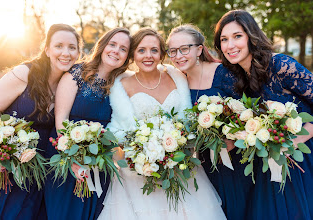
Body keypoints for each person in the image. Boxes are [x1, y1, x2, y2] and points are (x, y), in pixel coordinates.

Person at [98, 27, 226, 220]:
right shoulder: (121, 86)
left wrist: (178, 149)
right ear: (133, 54)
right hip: (139, 175)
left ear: (161, 54)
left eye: (154, 50)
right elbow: (116, 133)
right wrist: (141, 154)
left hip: (182, 169)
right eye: (141, 50)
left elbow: (189, 121)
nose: (148, 56)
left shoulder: (178, 77)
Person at [214, 9, 313, 219]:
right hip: (271, 162)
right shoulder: (238, 75)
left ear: (252, 36)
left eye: (237, 36)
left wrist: (294, 142)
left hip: (302, 155)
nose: (230, 45)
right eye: (224, 39)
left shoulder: (280, 65)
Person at [0, 24, 81, 220]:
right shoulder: (23, 73)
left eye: (72, 47)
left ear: (79, 52)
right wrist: (1, 150)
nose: (66, 53)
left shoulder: (70, 83)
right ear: (46, 49)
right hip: (9, 165)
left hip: (41, 170)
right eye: (59, 46)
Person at [167, 24, 254, 220]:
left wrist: (233, 140)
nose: (178, 55)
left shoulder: (224, 73)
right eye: (172, 51)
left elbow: (249, 111)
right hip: (204, 164)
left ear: (199, 49)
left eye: (184, 49)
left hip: (236, 159)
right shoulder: (177, 81)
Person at [44, 27, 131, 220]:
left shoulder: (121, 83)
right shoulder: (77, 73)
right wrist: (72, 157)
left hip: (100, 163)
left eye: (123, 49)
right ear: (102, 46)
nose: (116, 51)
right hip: (66, 157)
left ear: (127, 56)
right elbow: (61, 119)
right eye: (113, 44)